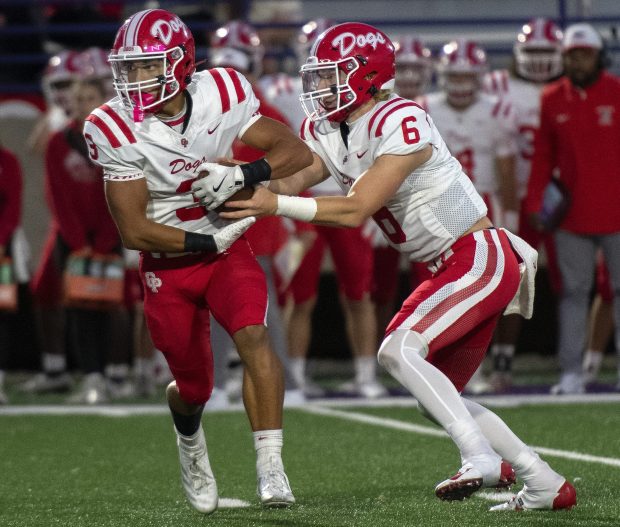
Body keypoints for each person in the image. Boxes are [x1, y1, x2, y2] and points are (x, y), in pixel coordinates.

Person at [212, 22, 576, 511]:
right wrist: (243, 184)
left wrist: (273, 207)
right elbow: (299, 176)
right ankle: (544, 481)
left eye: (331, 75)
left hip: (476, 254)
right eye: (316, 76)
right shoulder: (328, 128)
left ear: (366, 74)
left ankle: (480, 458)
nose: (319, 88)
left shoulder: (400, 118)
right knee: (434, 397)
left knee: (397, 351)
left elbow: (357, 207)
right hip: (443, 266)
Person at [82, 9, 312, 512]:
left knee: (254, 334)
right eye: (129, 68)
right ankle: (190, 441)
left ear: (181, 64)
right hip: (169, 260)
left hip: (227, 243)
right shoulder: (112, 125)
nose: (134, 80)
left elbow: (294, 150)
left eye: (146, 67)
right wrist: (201, 243)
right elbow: (133, 229)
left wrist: (244, 174)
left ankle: (271, 466)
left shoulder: (222, 92)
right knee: (194, 386)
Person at [261, 18, 386, 399]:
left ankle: (366, 375)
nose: (322, 80)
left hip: (353, 196)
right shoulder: (282, 93)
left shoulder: (376, 106)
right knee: (301, 295)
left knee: (358, 293)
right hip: (305, 199)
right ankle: (295, 375)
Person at [207, 19, 306, 407]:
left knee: (262, 312)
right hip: (209, 223)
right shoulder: (201, 112)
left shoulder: (265, 114)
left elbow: (293, 166)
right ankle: (214, 384)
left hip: (255, 224)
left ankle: (286, 384)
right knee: (213, 308)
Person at [525, 23, 620, 395]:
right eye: (571, 55)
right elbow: (543, 157)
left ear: (598, 56)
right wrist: (536, 202)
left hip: (617, 213)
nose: (577, 61)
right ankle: (570, 372)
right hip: (570, 216)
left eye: (583, 54)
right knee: (573, 293)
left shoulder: (617, 92)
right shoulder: (551, 97)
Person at [420, 38, 519, 394]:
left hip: (483, 207)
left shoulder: (497, 110)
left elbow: (506, 168)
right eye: (455, 77)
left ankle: (467, 369)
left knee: (482, 292)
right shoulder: (423, 108)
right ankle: (434, 367)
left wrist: (511, 213)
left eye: (467, 78)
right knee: (440, 289)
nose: (461, 85)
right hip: (438, 206)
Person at [484, 18, 564, 392]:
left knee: (571, 285)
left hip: (564, 198)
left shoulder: (567, 90)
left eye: (546, 52)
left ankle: (574, 365)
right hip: (511, 197)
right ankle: (500, 363)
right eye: (532, 52)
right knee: (509, 283)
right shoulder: (497, 86)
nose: (539, 60)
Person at [0, 144, 30, 404]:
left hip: (3, 248)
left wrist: (1, 239)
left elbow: (12, 204)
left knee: (2, 314)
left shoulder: (7, 160)